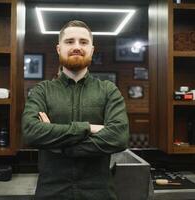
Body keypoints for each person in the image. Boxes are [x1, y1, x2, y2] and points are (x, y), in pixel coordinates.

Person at [22, 20, 129, 200]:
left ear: (92, 50)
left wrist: (58, 146)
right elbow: (31, 132)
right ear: (59, 48)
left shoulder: (108, 90)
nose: (77, 47)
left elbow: (118, 138)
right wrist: (88, 128)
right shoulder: (42, 91)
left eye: (84, 42)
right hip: (51, 193)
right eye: (70, 41)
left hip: (99, 193)